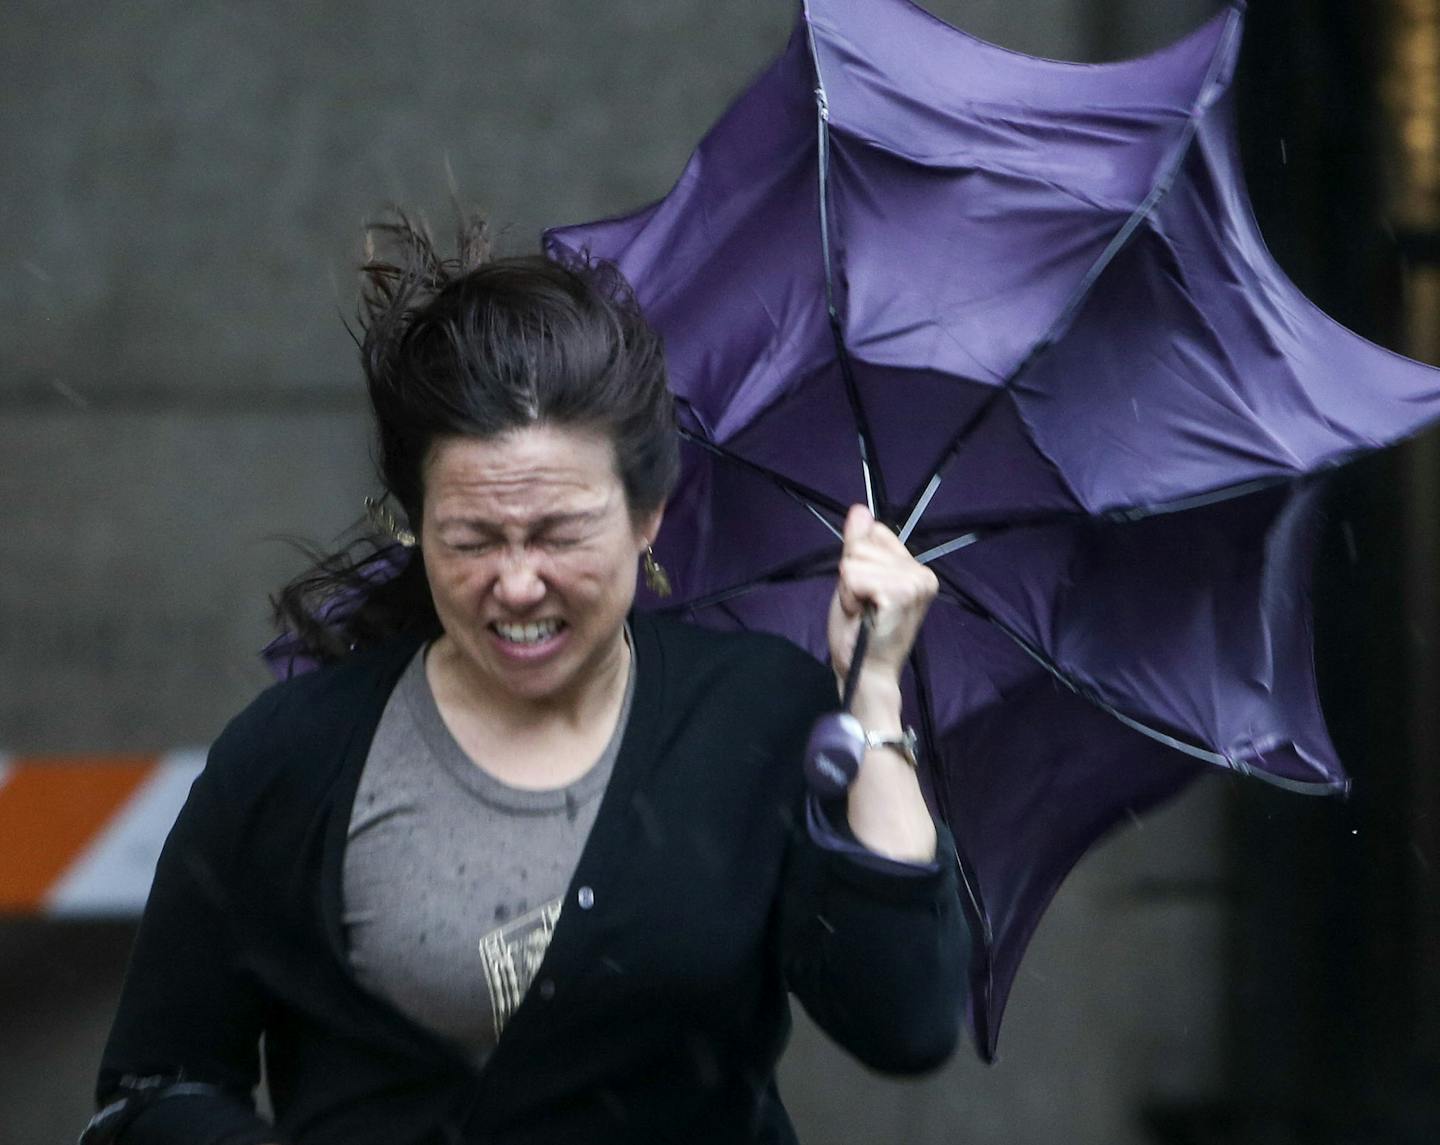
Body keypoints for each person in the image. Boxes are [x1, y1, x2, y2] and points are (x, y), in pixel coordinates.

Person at [85, 216, 969, 1145]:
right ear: (416, 525)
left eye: (558, 535)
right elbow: (149, 1091)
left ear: (648, 514)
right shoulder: (293, 753)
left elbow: (905, 1018)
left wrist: (869, 697)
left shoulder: (756, 717)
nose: (515, 583)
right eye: (470, 540)